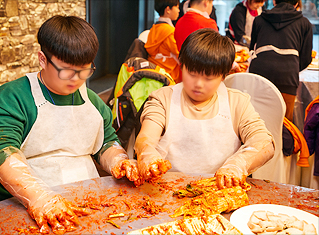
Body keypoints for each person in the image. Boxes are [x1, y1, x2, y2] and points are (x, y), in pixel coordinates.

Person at [0, 15, 142, 234]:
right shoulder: (13, 97)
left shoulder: (92, 101)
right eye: (66, 70)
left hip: (88, 203)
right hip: (26, 207)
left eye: (84, 70)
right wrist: (39, 197)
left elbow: (106, 142)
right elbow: (0, 150)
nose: (75, 79)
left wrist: (119, 160)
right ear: (42, 59)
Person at [134, 29, 275, 189]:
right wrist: (147, 153)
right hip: (164, 190)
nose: (198, 84)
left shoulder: (237, 102)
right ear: (182, 66)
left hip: (219, 191)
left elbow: (264, 142)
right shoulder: (163, 98)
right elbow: (146, 136)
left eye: (208, 78)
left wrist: (238, 164)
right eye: (192, 73)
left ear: (223, 76)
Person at [249, 0, 313, 122]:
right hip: (287, 76)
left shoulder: (259, 20)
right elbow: (306, 58)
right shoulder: (305, 23)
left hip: (259, 75)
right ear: (296, 3)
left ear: (274, 1)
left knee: (256, 120)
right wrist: (291, 67)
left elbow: (252, 50)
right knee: (284, 123)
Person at [145, 0, 181, 83]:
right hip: (169, 75)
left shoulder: (154, 28)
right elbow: (179, 52)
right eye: (177, 7)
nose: (179, 10)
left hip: (155, 70)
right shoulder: (169, 31)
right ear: (168, 10)